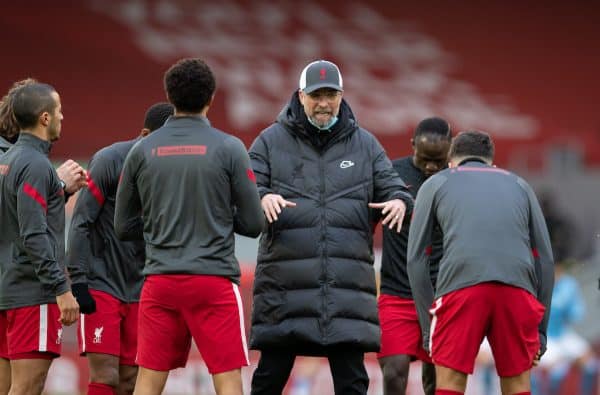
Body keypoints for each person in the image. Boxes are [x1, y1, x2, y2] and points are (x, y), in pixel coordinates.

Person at [248, 59, 413, 395]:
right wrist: (261, 197)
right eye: (316, 95)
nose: (324, 103)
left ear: (342, 95)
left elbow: (395, 188)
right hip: (285, 289)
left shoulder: (365, 144)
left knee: (353, 384)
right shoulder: (269, 141)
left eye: (331, 94)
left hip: (346, 291)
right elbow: (244, 188)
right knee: (269, 380)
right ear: (300, 96)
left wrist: (400, 202)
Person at [114, 58, 264, 395]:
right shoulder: (230, 148)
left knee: (148, 382)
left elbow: (123, 226)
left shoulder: (142, 150)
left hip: (160, 282)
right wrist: (217, 219)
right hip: (213, 282)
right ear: (211, 98)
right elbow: (254, 224)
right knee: (227, 380)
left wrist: (160, 226)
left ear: (170, 97)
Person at [407, 130, 554, 395]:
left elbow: (417, 259)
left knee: (450, 383)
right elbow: (545, 259)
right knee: (518, 385)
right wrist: (541, 333)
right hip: (517, 289)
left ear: (451, 162)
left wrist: (429, 330)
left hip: (461, 288)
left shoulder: (437, 183)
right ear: (492, 163)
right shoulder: (520, 184)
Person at [66, 102, 174, 395]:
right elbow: (81, 222)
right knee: (106, 375)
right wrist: (78, 280)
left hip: (142, 288)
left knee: (131, 381)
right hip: (102, 284)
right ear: (144, 134)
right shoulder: (110, 160)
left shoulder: (174, 172)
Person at [0, 82, 80, 395]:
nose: (63, 117)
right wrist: (61, 288)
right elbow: (33, 233)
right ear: (45, 118)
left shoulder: (7, 162)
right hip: (32, 294)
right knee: (27, 388)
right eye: (59, 110)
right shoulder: (35, 165)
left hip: (8, 289)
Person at [378, 117, 452, 395]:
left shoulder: (457, 180)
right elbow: (365, 225)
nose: (431, 167)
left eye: (438, 160)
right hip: (396, 294)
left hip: (441, 297)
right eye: (424, 160)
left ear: (451, 148)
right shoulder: (390, 175)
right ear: (412, 146)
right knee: (394, 373)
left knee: (435, 380)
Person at [0, 78, 87, 196]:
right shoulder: (24, 158)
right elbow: (18, 208)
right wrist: (60, 184)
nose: (61, 117)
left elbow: (36, 207)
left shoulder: (31, 152)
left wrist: (62, 189)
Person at [532, 260, 597, 395]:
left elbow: (577, 314)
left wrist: (569, 308)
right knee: (554, 371)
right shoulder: (536, 285)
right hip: (543, 335)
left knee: (590, 364)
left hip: (563, 333)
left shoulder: (569, 285)